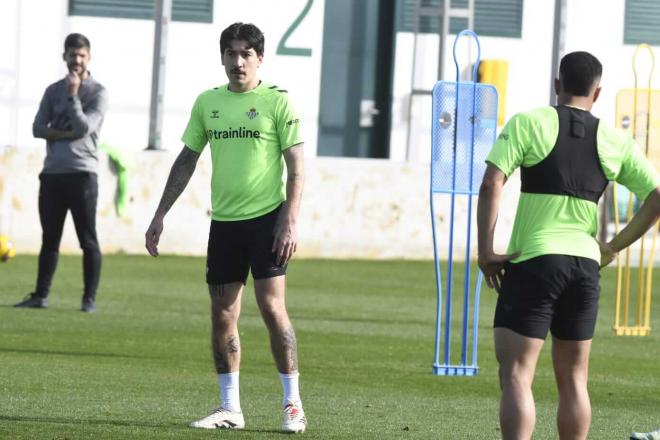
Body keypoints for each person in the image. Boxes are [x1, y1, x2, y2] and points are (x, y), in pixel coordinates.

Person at [477, 51, 660, 440]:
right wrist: (612, 247)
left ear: (557, 85)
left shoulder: (529, 121)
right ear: (597, 92)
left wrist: (486, 251)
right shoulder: (614, 139)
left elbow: (493, 182)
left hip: (535, 261)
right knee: (575, 378)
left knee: (516, 375)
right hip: (584, 266)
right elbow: (657, 197)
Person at [145, 22, 307, 433]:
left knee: (272, 310)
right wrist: (160, 213)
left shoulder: (278, 102)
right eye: (231, 54)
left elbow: (297, 168)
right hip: (225, 224)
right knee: (222, 315)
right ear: (222, 58)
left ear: (259, 59)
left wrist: (289, 220)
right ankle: (230, 408)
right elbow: (187, 159)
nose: (238, 61)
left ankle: (293, 405)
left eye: (246, 54)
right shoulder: (208, 103)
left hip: (267, 222)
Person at [15, 33, 108, 313]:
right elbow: (37, 127)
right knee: (50, 239)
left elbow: (83, 128)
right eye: (72, 55)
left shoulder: (97, 92)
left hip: (82, 175)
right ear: (64, 56)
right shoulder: (52, 89)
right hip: (53, 174)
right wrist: (58, 132)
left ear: (88, 58)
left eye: (81, 55)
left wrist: (73, 97)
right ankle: (40, 295)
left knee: (87, 239)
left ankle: (88, 299)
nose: (76, 60)